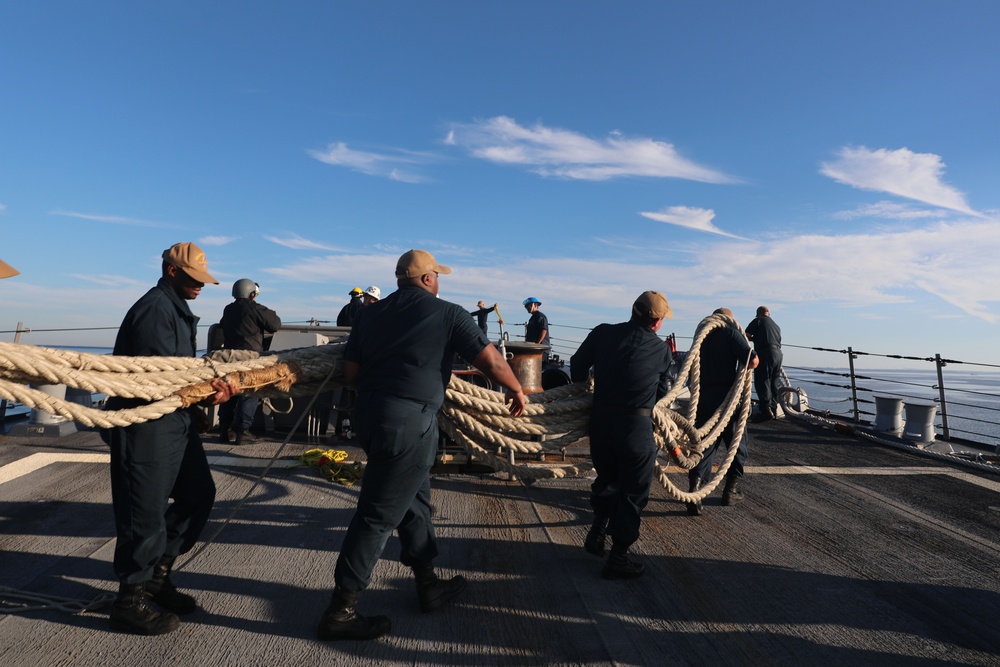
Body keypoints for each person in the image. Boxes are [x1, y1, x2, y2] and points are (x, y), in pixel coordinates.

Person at [317, 249, 527, 641]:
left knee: (414, 500)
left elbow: (349, 373)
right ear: (429, 279)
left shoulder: (368, 314)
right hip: (410, 424)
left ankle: (428, 584)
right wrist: (516, 388)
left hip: (371, 418)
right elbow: (492, 363)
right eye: (438, 276)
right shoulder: (448, 313)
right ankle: (341, 611)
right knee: (376, 516)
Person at [104, 242, 235, 635]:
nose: (202, 286)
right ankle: (129, 600)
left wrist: (196, 404)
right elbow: (161, 378)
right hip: (146, 427)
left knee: (198, 494)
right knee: (142, 513)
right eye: (194, 279)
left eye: (204, 280)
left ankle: (159, 576)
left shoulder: (176, 309)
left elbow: (177, 376)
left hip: (175, 421)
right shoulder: (155, 310)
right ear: (172, 272)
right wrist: (205, 391)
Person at [570, 291, 673, 580]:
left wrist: (584, 388)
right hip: (635, 428)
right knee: (632, 493)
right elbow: (662, 393)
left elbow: (577, 366)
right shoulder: (662, 350)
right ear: (657, 322)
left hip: (600, 423)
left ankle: (598, 531)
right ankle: (618, 558)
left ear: (633, 311)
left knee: (607, 479)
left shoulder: (603, 333)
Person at [686, 308, 759, 516]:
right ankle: (730, 491)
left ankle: (695, 489)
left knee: (704, 445)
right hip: (727, 398)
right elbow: (752, 361)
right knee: (736, 444)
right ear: (729, 320)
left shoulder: (702, 336)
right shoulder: (731, 333)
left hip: (703, 397)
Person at [217, 279, 281, 445]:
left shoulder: (228, 309)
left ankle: (224, 430)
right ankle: (243, 432)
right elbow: (274, 324)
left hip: (230, 358)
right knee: (250, 393)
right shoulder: (254, 308)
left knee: (230, 393)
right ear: (252, 293)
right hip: (249, 358)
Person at [745, 305, 783, 423]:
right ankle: (774, 408)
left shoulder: (758, 321)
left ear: (758, 314)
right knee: (773, 382)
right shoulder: (776, 326)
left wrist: (753, 339)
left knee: (762, 380)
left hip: (765, 353)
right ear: (769, 313)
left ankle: (765, 411)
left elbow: (746, 335)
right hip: (778, 354)